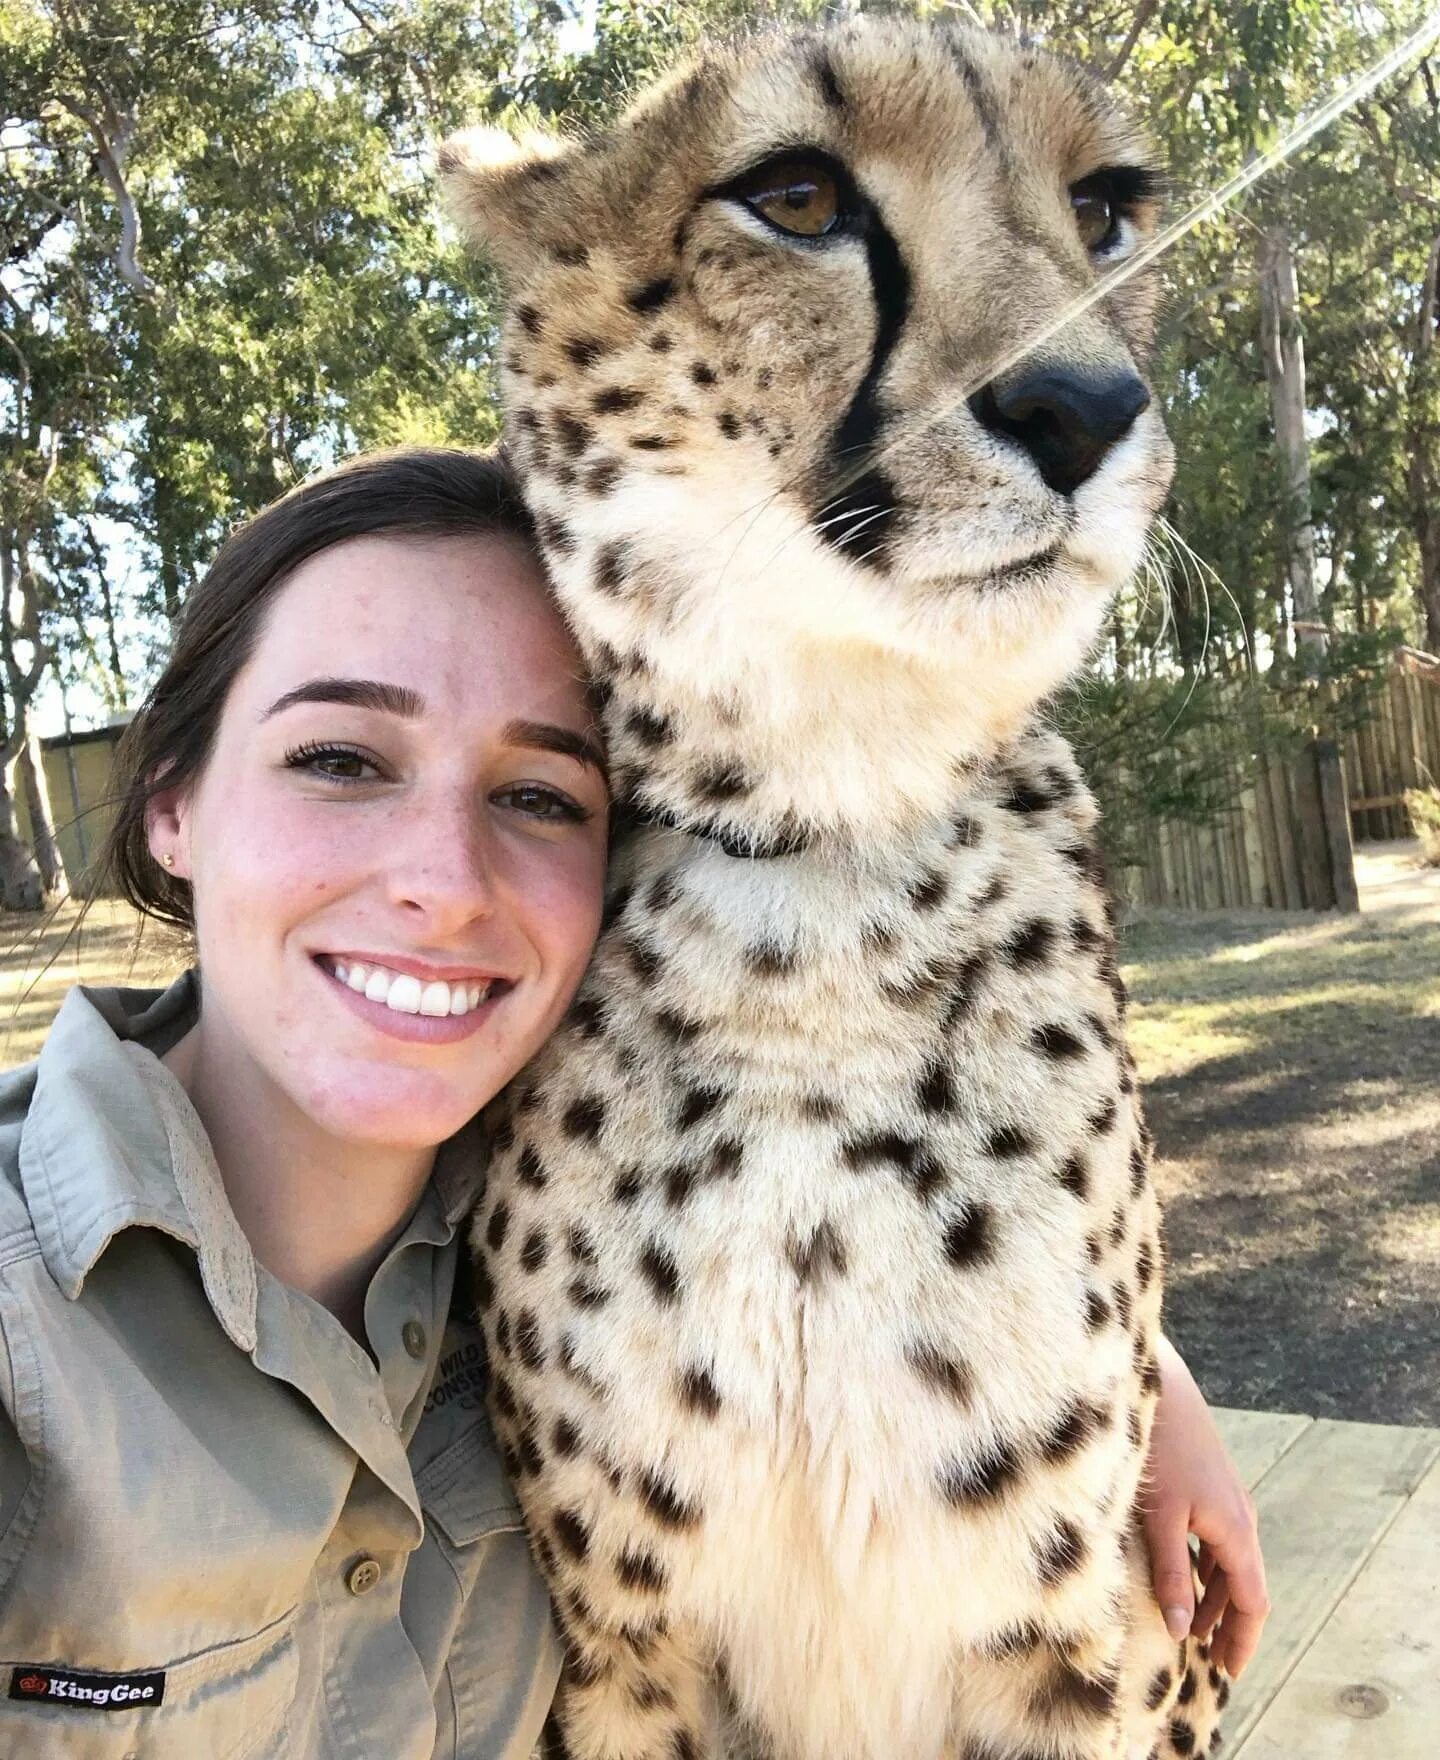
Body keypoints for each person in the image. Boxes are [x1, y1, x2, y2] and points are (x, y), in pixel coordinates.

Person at [0, 447, 1265, 1759]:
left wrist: (1141, 1371)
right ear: (172, 807)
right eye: (340, 760)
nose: (444, 879)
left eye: (541, 794)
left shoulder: (560, 1235)